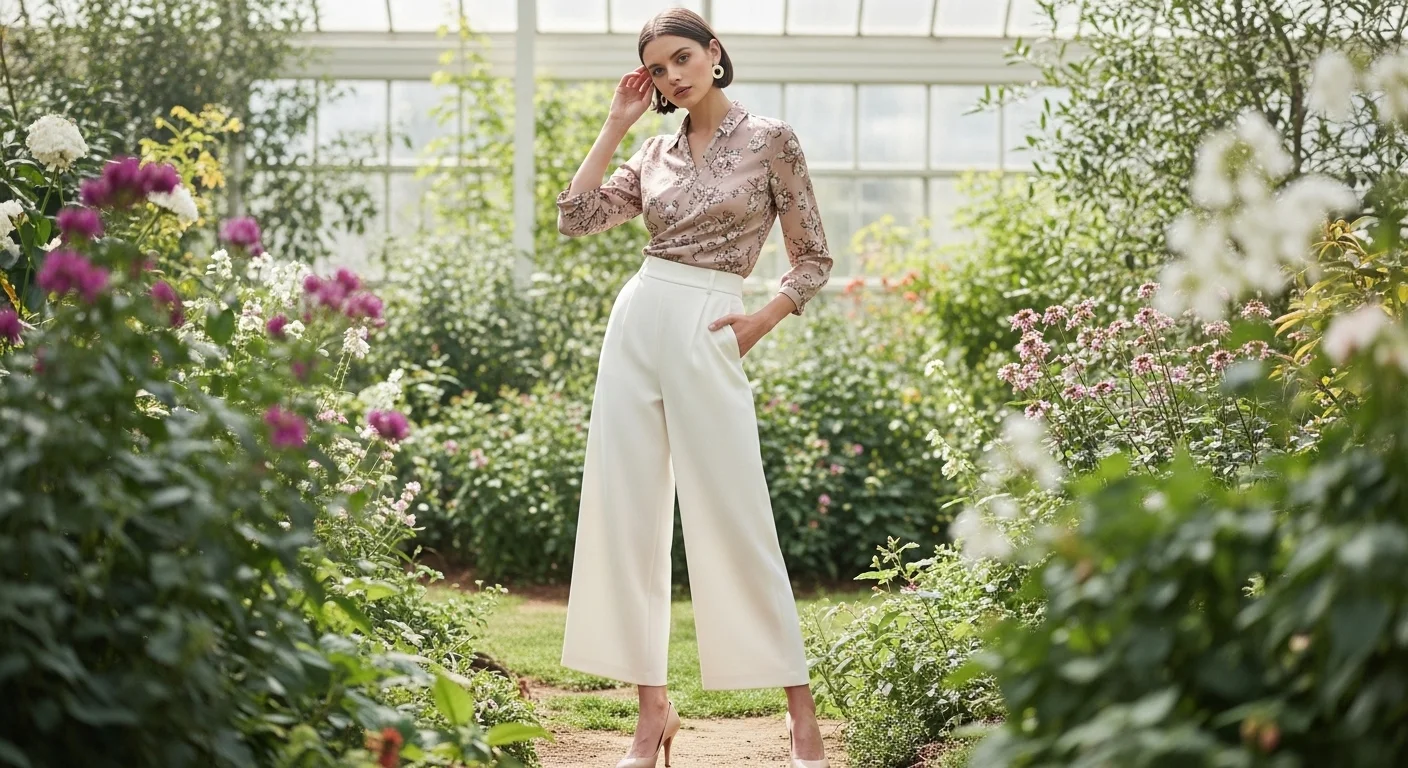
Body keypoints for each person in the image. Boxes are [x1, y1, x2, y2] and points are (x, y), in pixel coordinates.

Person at [554, 8, 833, 768]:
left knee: (736, 511)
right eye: (658, 69)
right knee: (624, 512)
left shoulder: (772, 140)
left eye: (682, 58)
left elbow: (812, 258)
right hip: (639, 319)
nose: (672, 76)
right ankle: (652, 715)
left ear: (714, 53)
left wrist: (760, 321)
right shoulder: (653, 152)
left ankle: (800, 717)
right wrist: (615, 124)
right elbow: (576, 218)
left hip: (713, 322)